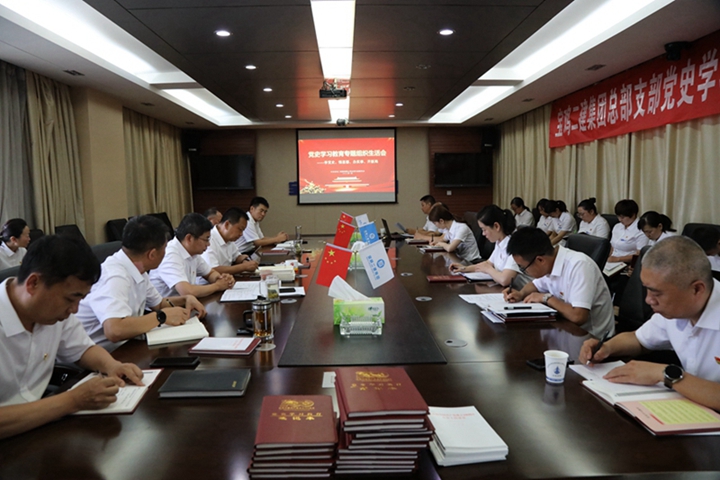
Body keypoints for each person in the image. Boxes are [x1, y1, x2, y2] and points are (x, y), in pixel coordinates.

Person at [0, 235, 144, 439]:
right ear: (33, 283)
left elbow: (83, 349)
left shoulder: (54, 313)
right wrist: (72, 400)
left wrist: (112, 365)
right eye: (70, 299)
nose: (74, 310)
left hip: (38, 428)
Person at [579, 236, 720, 411]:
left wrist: (664, 374)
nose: (648, 300)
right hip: (692, 409)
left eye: (657, 293)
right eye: (646, 289)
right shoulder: (677, 309)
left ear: (697, 289)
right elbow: (639, 339)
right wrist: (607, 348)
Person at [76, 216, 206, 352]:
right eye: (165, 248)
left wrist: (185, 299)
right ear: (152, 254)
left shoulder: (138, 268)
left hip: (124, 346)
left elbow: (159, 304)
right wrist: (162, 316)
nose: (166, 252)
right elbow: (115, 330)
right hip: (95, 355)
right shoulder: (114, 277)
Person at [504, 227, 615, 338]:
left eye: (523, 268)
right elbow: (535, 285)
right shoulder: (550, 261)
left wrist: (547, 298)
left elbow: (578, 317)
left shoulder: (579, 266)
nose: (525, 271)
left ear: (540, 260)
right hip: (565, 330)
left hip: (592, 338)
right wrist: (521, 294)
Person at [149, 213, 235, 298]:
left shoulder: (192, 253)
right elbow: (187, 292)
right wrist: (218, 286)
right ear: (189, 238)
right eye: (206, 239)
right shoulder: (170, 255)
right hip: (167, 305)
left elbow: (210, 273)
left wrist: (221, 279)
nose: (208, 244)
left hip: (185, 303)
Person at [449, 205, 530, 289]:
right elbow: (488, 263)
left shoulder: (513, 245)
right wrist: (464, 268)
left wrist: (488, 269)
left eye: (484, 229)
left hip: (522, 291)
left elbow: (504, 280)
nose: (483, 234)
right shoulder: (499, 242)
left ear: (496, 226)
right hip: (508, 289)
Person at [202, 207, 259, 275]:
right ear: (227, 224)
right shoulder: (209, 239)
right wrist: (244, 267)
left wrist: (245, 260)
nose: (241, 234)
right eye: (240, 229)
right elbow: (213, 270)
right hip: (210, 281)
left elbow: (237, 256)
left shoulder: (229, 238)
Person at [607, 199, 648, 263]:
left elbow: (639, 255)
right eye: (618, 216)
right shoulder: (617, 226)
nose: (619, 219)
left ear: (633, 215)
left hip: (627, 263)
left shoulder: (641, 230)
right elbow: (612, 247)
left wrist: (617, 259)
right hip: (611, 260)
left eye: (622, 217)